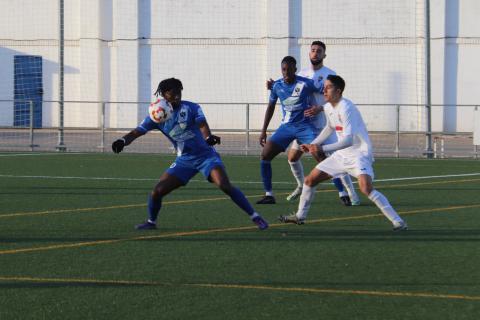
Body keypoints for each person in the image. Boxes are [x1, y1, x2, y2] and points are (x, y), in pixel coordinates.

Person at [112, 77, 269, 230]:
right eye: (173, 94)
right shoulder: (157, 114)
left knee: (224, 185)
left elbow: (202, 124)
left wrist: (208, 137)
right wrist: (122, 141)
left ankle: (255, 216)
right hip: (184, 160)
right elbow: (136, 132)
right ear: (164, 95)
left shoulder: (191, 108)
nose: (177, 97)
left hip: (206, 156)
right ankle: (151, 222)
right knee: (157, 191)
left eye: (179, 93)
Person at [278, 75, 408, 231]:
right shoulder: (327, 107)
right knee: (310, 180)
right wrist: (313, 144)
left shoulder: (347, 108)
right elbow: (329, 128)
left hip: (358, 154)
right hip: (341, 155)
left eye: (328, 87)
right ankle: (300, 216)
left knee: (366, 188)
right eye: (324, 87)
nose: (324, 90)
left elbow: (349, 141)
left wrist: (321, 149)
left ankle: (398, 221)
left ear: (338, 91)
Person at [267, 41, 359, 205]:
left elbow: (335, 99)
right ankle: (301, 185)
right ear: (309, 54)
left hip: (325, 125)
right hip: (303, 125)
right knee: (292, 157)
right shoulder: (302, 73)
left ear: (324, 55)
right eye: (313, 50)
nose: (315, 53)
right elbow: (287, 85)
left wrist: (320, 108)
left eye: (319, 51)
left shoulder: (330, 74)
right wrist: (273, 86)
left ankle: (348, 194)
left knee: (334, 159)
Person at [257, 56, 321, 204]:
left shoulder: (305, 83)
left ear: (295, 70)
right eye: (283, 69)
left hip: (304, 127)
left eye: (289, 70)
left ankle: (343, 192)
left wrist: (321, 108)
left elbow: (324, 91)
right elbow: (271, 107)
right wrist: (263, 130)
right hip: (286, 127)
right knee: (265, 155)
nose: (286, 73)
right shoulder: (276, 86)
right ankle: (269, 195)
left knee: (319, 154)